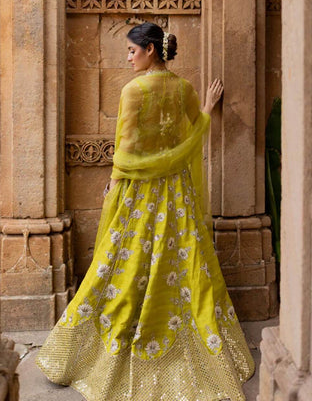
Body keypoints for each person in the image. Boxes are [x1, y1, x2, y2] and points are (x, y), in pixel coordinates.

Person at [36, 22, 255, 401]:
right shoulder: (185, 88)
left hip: (140, 195)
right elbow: (192, 135)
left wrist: (114, 183)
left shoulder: (133, 90)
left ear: (151, 50)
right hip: (177, 194)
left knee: (121, 265)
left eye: (132, 51)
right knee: (186, 265)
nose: (128, 57)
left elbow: (126, 150)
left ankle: (90, 352)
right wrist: (206, 106)